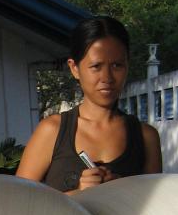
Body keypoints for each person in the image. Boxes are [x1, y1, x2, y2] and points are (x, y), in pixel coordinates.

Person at [16, 15, 162, 192]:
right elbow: (21, 203)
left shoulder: (146, 137)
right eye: (96, 66)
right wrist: (77, 194)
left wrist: (123, 190)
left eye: (117, 65)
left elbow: (154, 212)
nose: (107, 78)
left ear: (127, 66)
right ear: (74, 68)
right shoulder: (52, 131)